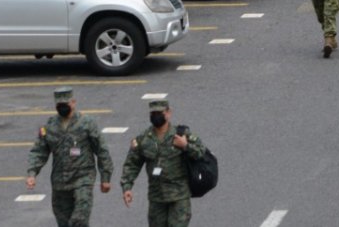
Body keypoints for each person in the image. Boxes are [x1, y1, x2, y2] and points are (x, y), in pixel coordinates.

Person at [26, 87, 113, 227]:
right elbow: (39, 152)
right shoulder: (49, 127)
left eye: (65, 104)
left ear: (73, 102)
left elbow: (102, 150)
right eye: (59, 105)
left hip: (83, 179)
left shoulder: (86, 123)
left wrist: (106, 178)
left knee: (79, 221)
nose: (62, 107)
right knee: (64, 223)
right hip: (60, 183)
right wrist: (32, 173)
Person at [121, 100, 208, 227]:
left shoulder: (181, 135)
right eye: (153, 113)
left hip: (179, 197)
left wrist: (185, 146)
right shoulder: (144, 139)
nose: (156, 116)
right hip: (156, 198)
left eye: (159, 113)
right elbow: (132, 164)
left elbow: (200, 153)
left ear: (168, 113)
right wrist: (127, 187)